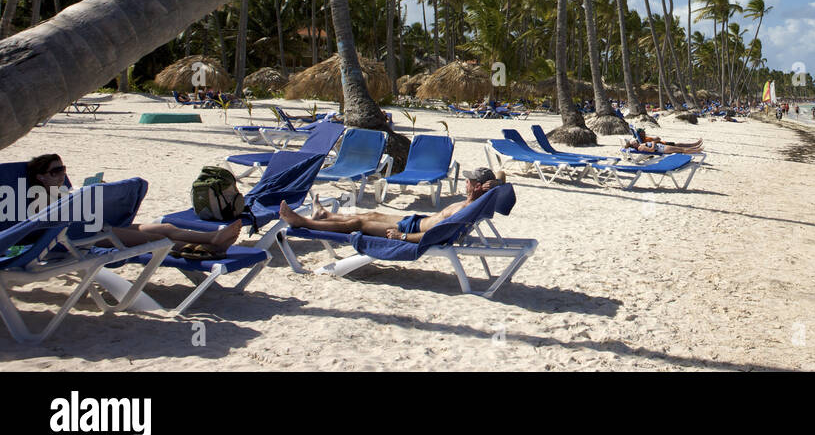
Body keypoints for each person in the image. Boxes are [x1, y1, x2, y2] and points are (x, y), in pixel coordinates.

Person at [25, 154, 244, 256]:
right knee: (157, 240)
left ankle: (213, 239)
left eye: (63, 169)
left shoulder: (63, 191)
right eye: (55, 172)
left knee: (165, 228)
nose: (62, 175)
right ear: (41, 177)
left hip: (99, 228)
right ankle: (210, 245)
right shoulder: (37, 199)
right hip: (77, 239)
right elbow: (45, 225)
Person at [278, 167, 506, 242]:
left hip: (413, 230)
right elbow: (502, 177)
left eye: (469, 181)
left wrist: (402, 237)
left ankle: (303, 222)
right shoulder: (472, 201)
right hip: (415, 221)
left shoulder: (467, 209)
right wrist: (494, 183)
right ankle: (325, 215)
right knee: (372, 213)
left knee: (359, 223)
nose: (465, 182)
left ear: (477, 187)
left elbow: (437, 234)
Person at [623, 128, 703, 154]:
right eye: (633, 142)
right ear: (633, 145)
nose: (634, 141)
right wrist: (653, 143)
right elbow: (652, 150)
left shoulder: (641, 144)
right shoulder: (640, 148)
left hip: (662, 146)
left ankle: (696, 149)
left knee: (680, 149)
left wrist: (652, 142)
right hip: (661, 148)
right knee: (681, 149)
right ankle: (696, 150)